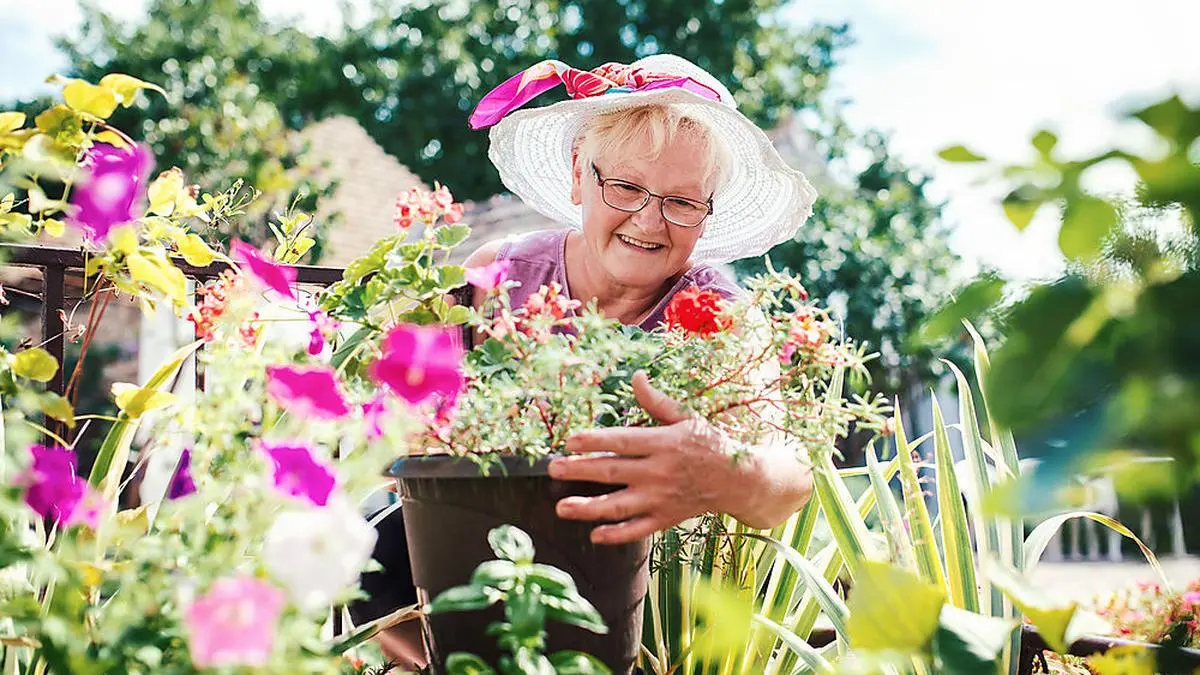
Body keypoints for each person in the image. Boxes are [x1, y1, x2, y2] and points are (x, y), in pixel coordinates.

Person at [351, 53, 819, 665]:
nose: (649, 220)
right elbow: (406, 430)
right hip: (484, 561)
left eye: (682, 201)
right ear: (579, 175)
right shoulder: (501, 276)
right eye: (625, 186)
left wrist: (726, 471)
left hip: (641, 604)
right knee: (365, 540)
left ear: (707, 214)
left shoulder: (721, 316)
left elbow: (789, 480)